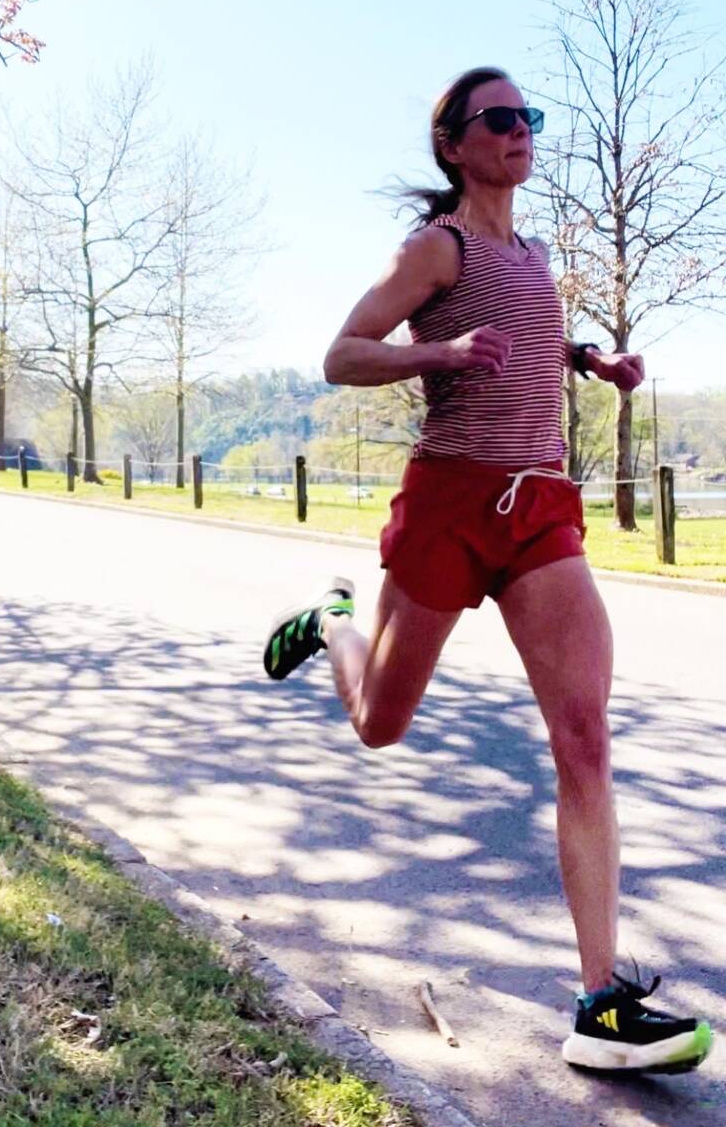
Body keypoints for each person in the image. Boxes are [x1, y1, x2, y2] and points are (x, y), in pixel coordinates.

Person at [262, 66, 714, 1075]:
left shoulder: (536, 253)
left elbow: (529, 339)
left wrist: (589, 362)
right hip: (450, 506)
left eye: (529, 119)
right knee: (380, 725)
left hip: (538, 509)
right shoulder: (438, 247)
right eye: (499, 120)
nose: (521, 133)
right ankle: (333, 622)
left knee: (585, 735)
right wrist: (446, 353)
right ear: (456, 146)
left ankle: (600, 1004)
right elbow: (342, 353)